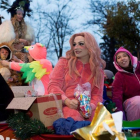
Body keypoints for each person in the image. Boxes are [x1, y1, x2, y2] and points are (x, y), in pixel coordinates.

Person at [47, 32, 106, 121]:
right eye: (74, 44)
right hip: (65, 106)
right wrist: (66, 101)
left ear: (90, 46)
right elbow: (53, 86)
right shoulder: (64, 62)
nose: (76, 47)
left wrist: (90, 106)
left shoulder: (98, 71)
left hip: (88, 108)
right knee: (72, 116)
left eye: (81, 44)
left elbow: (97, 96)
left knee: (100, 122)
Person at [112, 46, 140, 121]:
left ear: (130, 57)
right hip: (131, 102)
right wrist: (119, 115)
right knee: (138, 101)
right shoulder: (119, 76)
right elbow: (116, 96)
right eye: (119, 57)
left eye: (125, 56)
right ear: (117, 62)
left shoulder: (139, 68)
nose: (122, 58)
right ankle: (135, 130)